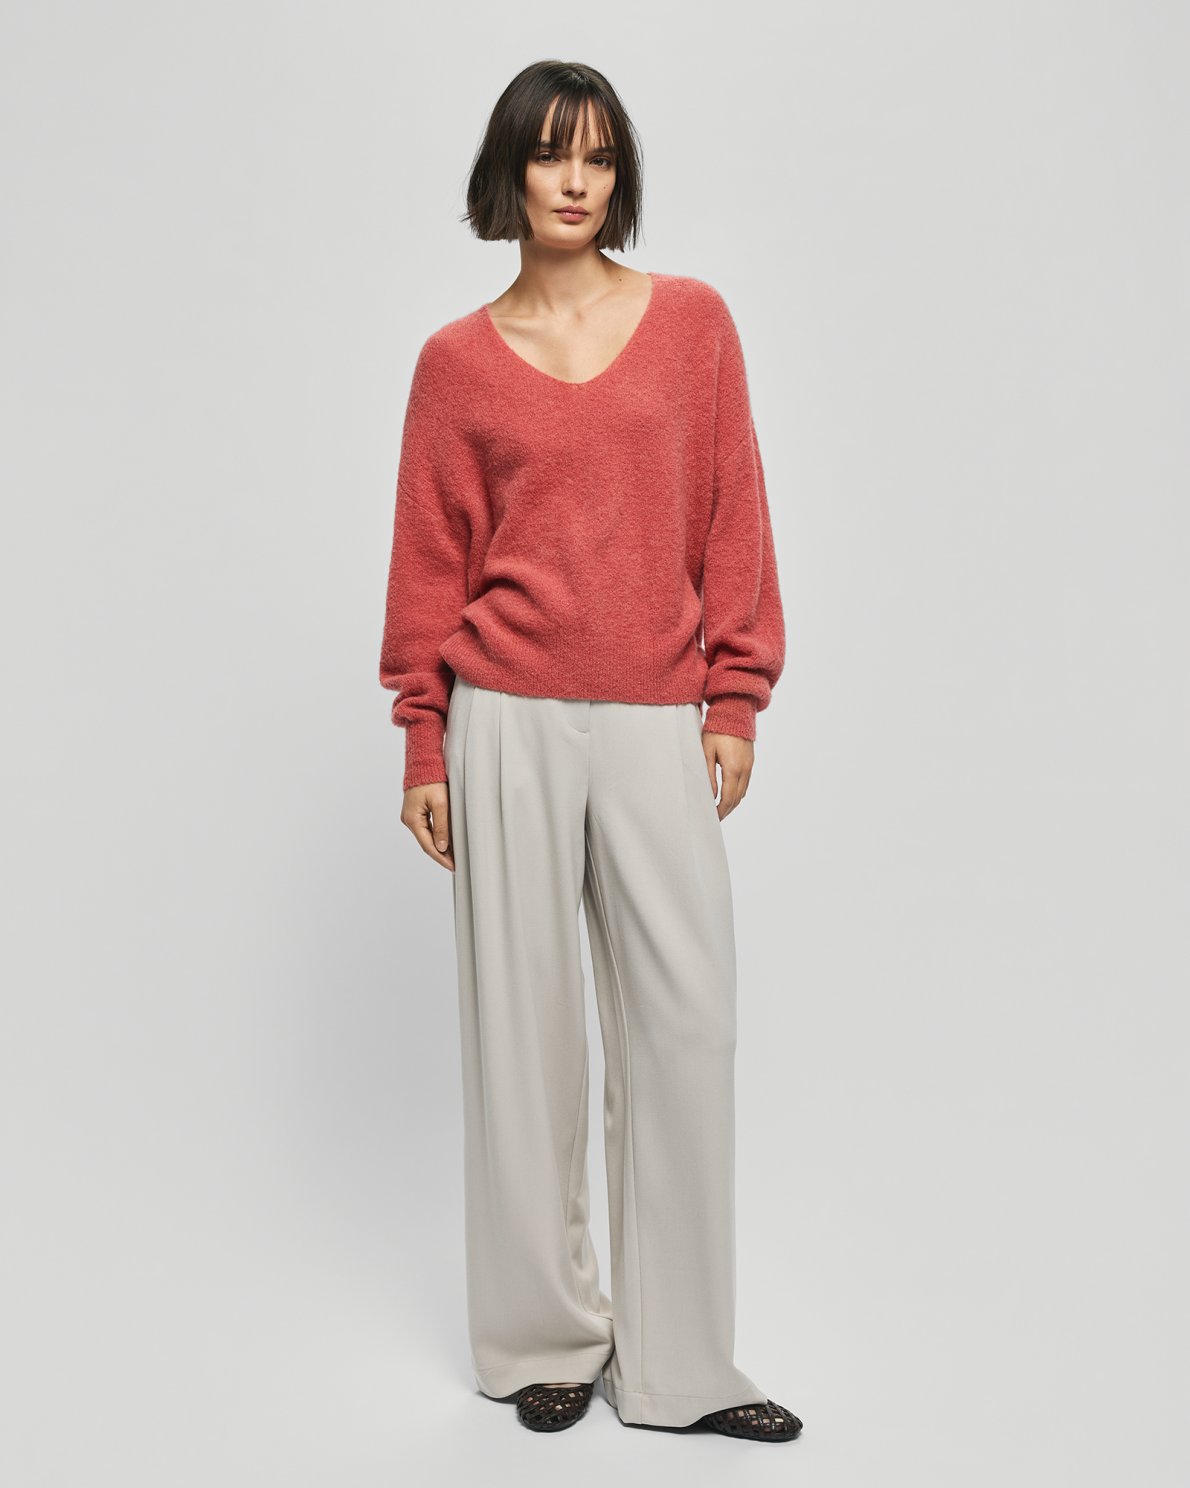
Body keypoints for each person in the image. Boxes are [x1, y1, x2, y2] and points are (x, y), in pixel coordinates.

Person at [379, 59, 802, 1445]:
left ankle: (680, 1366)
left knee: (687, 1025)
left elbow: (732, 513)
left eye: (600, 157)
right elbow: (429, 565)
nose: (575, 181)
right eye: (552, 155)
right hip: (500, 714)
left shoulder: (692, 326)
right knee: (523, 1040)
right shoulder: (454, 364)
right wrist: (423, 739)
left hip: (654, 711)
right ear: (507, 172)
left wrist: (733, 700)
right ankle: (542, 1341)